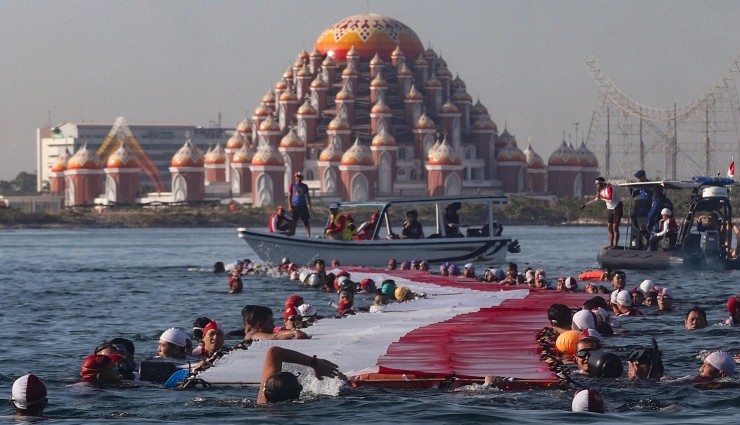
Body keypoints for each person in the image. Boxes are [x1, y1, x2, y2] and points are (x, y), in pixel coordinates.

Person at [257, 346, 340, 404]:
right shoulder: (301, 406)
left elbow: (274, 352)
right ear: (299, 390)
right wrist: (315, 363)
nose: (301, 387)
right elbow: (274, 351)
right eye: (299, 385)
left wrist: (315, 363)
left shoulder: (263, 399)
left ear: (265, 388)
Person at [579, 177, 623, 249]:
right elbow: (596, 199)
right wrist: (585, 205)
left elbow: (610, 199)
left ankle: (615, 245)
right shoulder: (600, 190)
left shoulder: (609, 187)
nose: (597, 186)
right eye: (596, 184)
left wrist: (601, 197)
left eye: (598, 184)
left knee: (615, 227)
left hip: (617, 208)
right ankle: (611, 244)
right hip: (610, 209)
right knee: (609, 227)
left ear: (602, 183)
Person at [241, 305, 309, 342]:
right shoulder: (254, 336)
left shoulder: (252, 334)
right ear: (260, 325)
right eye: (271, 323)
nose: (274, 326)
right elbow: (274, 337)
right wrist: (294, 332)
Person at [629, 170, 653, 249]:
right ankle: (637, 229)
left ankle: (647, 242)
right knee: (633, 216)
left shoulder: (650, 185)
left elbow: (652, 193)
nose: (638, 180)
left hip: (647, 206)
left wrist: (644, 187)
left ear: (643, 176)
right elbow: (634, 194)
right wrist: (630, 188)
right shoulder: (640, 187)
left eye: (639, 178)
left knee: (646, 227)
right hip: (641, 206)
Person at [288, 171, 312, 237]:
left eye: (300, 177)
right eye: (297, 177)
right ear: (295, 177)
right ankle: (292, 234)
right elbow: (289, 196)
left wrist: (310, 206)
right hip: (295, 206)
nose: (298, 178)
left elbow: (308, 196)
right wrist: (290, 206)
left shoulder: (304, 186)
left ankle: (308, 236)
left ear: (302, 178)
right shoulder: (292, 185)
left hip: (303, 205)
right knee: (294, 221)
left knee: (306, 221)